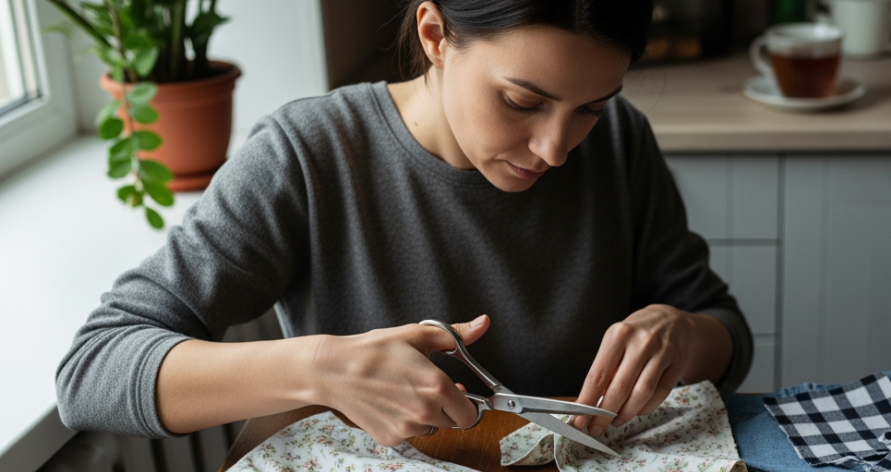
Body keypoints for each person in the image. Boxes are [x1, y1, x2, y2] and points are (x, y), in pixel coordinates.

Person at [56, 0, 752, 448]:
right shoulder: (307, 154)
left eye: (590, 108)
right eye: (519, 101)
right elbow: (92, 370)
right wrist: (323, 369)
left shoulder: (620, 141)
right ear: (434, 35)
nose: (555, 148)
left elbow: (725, 331)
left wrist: (687, 335)